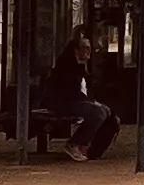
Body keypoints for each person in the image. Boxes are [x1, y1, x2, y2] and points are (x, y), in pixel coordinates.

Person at [44, 27, 120, 161]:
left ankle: (93, 150)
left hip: (78, 101)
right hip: (64, 102)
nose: (88, 51)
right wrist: (91, 103)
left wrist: (93, 101)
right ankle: (75, 143)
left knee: (109, 114)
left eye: (89, 48)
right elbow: (70, 91)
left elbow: (87, 90)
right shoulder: (67, 66)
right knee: (98, 112)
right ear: (76, 50)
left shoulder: (83, 67)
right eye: (84, 48)